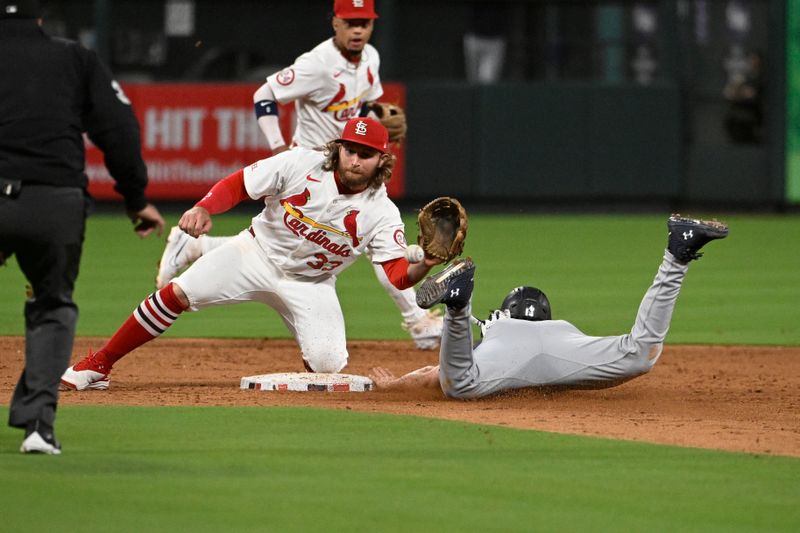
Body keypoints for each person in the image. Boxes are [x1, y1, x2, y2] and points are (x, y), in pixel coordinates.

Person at [61, 118, 443, 391]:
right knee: (177, 293)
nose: (355, 160)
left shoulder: (382, 212)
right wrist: (204, 207)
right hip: (253, 254)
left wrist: (423, 265)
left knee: (328, 367)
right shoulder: (299, 163)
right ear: (337, 148)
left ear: (382, 160)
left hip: (312, 284)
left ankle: (309, 345)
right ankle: (100, 363)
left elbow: (395, 275)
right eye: (350, 150)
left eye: (366, 154)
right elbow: (239, 184)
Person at [155, 0, 444, 350]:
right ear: (335, 22)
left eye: (364, 23)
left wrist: (379, 117)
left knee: (314, 243)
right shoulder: (317, 64)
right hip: (313, 169)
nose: (357, 30)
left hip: (352, 172)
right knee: (321, 242)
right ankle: (418, 323)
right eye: (350, 22)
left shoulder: (371, 58)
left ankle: (195, 246)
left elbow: (363, 107)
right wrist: (278, 146)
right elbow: (264, 94)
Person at [0, 0, 165, 454]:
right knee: (51, 307)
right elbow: (119, 128)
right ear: (40, 15)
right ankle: (38, 427)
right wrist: (135, 198)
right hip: (51, 199)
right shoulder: (74, 57)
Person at [370, 215, 729, 399]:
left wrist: (396, 386)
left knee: (459, 385)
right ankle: (677, 254)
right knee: (640, 353)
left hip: (507, 349)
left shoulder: (499, 327)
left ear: (506, 310)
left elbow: (435, 374)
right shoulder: (562, 328)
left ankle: (459, 307)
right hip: (566, 349)